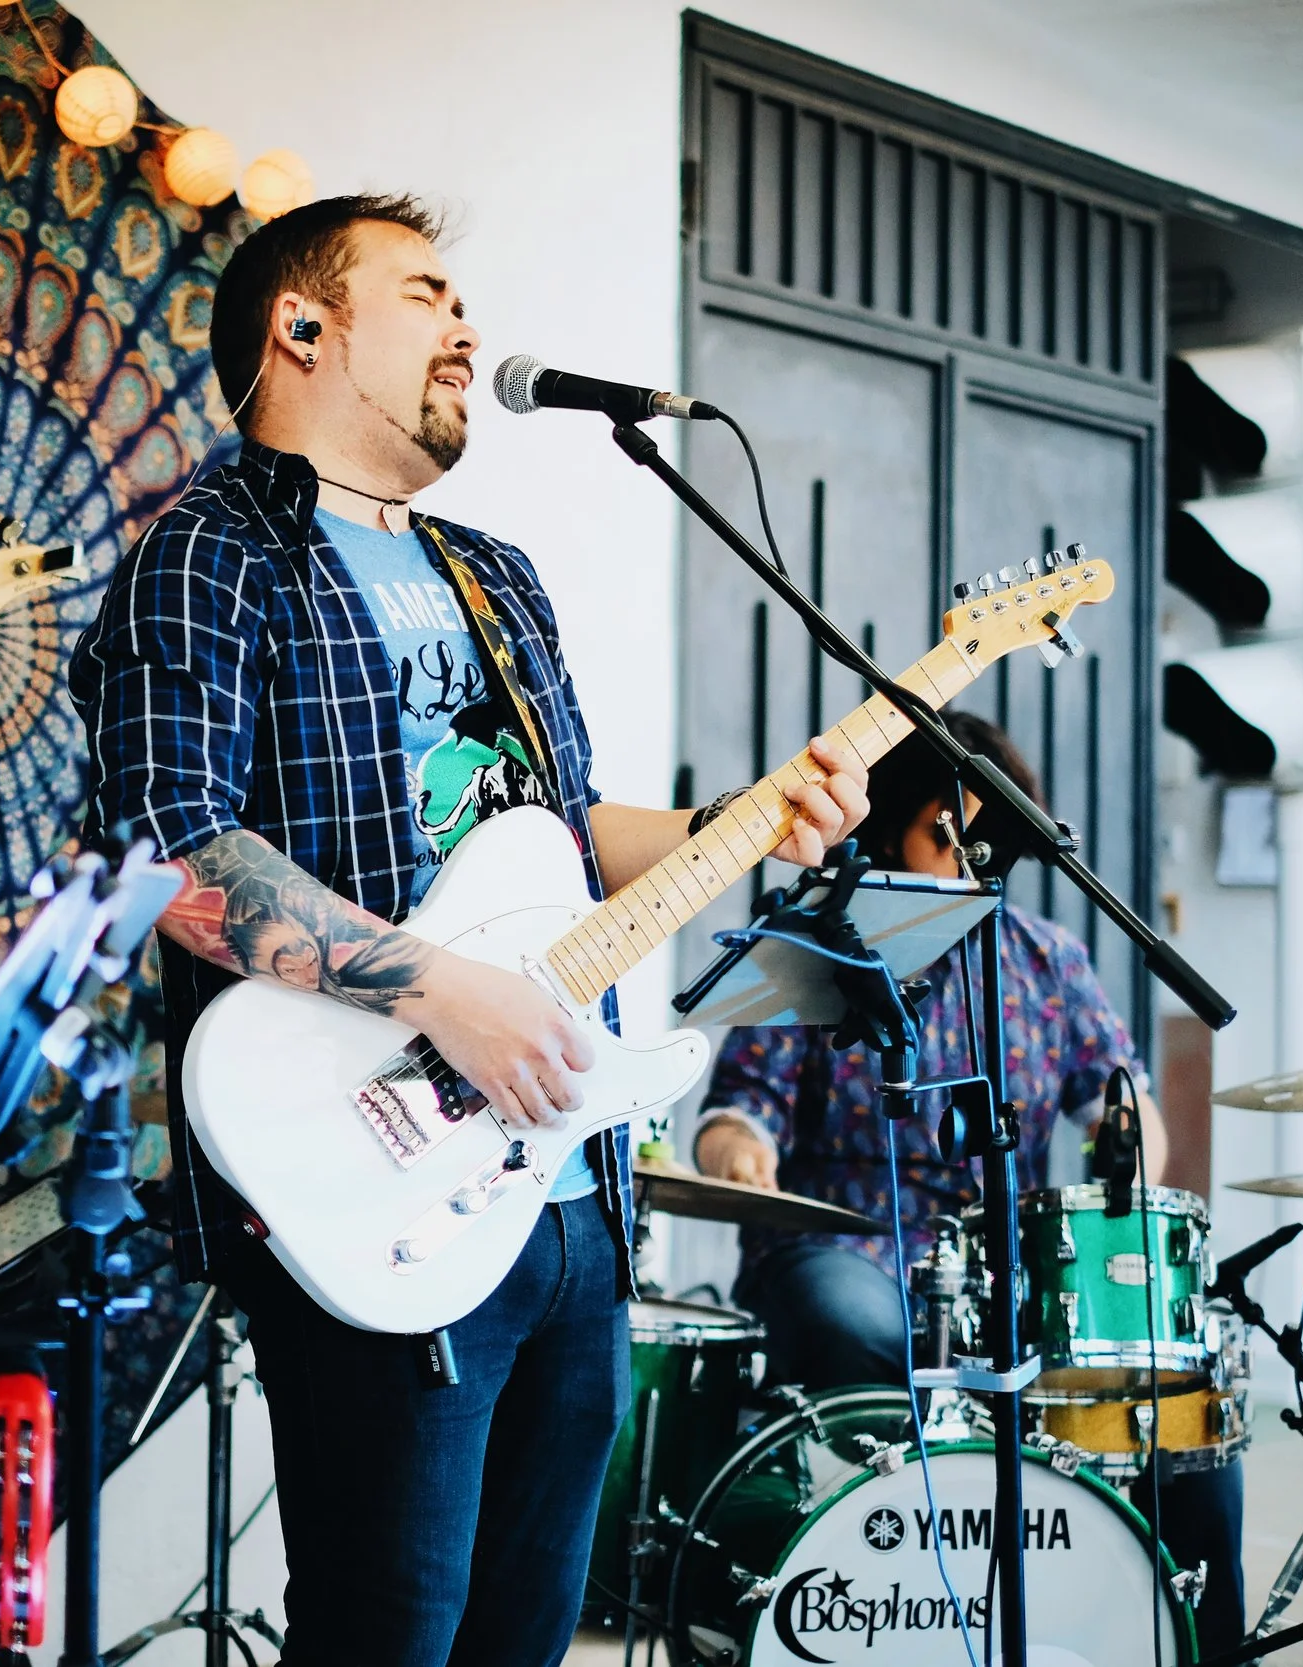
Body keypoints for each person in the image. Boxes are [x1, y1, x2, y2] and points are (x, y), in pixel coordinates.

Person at [71, 193, 870, 1666]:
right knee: (388, 1634)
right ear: (303, 328)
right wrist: (447, 993)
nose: (470, 327)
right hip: (378, 1170)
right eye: (428, 292)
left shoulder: (491, 574)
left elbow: (566, 838)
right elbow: (170, 853)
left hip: (569, 1180)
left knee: (525, 1638)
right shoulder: (212, 554)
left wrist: (749, 823)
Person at [691, 708, 1244, 1656]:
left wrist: (1130, 1140)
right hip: (841, 1244)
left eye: (984, 835)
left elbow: (1122, 1102)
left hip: (1008, 1275)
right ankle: (905, 1593)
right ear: (889, 819)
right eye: (942, 831)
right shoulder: (814, 940)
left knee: (1181, 1416)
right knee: (855, 1324)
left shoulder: (1046, 959)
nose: (967, 855)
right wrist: (739, 1147)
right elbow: (738, 1112)